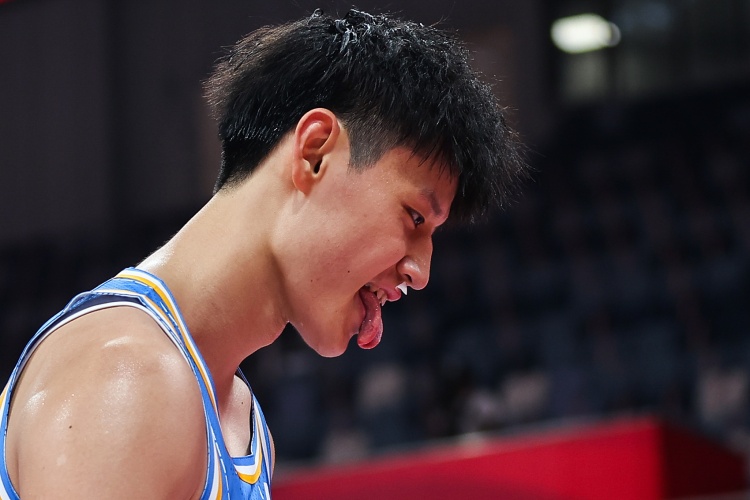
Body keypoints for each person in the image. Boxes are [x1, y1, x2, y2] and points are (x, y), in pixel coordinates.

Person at [0, 8, 526, 500]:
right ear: (315, 152)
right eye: (414, 218)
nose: (420, 271)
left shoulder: (240, 419)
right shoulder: (127, 378)